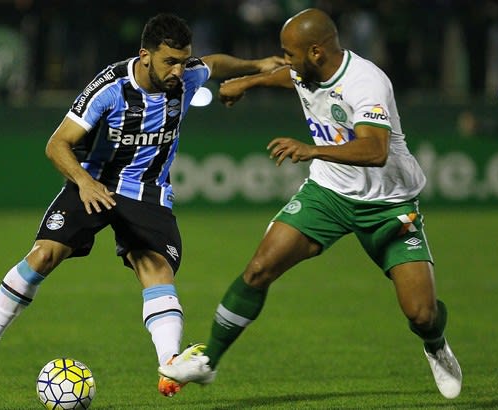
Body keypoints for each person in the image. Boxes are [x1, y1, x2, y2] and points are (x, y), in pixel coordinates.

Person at [0, 13, 284, 397]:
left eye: (184, 61)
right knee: (43, 256)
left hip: (148, 192)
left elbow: (214, 64)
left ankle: (170, 364)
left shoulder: (185, 77)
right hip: (95, 181)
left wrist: (256, 65)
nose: (179, 71)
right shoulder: (111, 87)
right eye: (170, 61)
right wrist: (83, 182)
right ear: (145, 55)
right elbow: (56, 144)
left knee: (154, 267)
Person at [158, 8, 463, 400]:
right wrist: (249, 81)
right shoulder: (309, 69)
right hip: (328, 195)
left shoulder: (365, 83)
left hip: (387, 203)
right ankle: (207, 361)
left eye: (290, 52)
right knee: (259, 268)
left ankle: (436, 344)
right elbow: (292, 77)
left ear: (317, 51)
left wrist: (311, 149)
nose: (285, 59)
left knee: (421, 314)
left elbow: (376, 150)